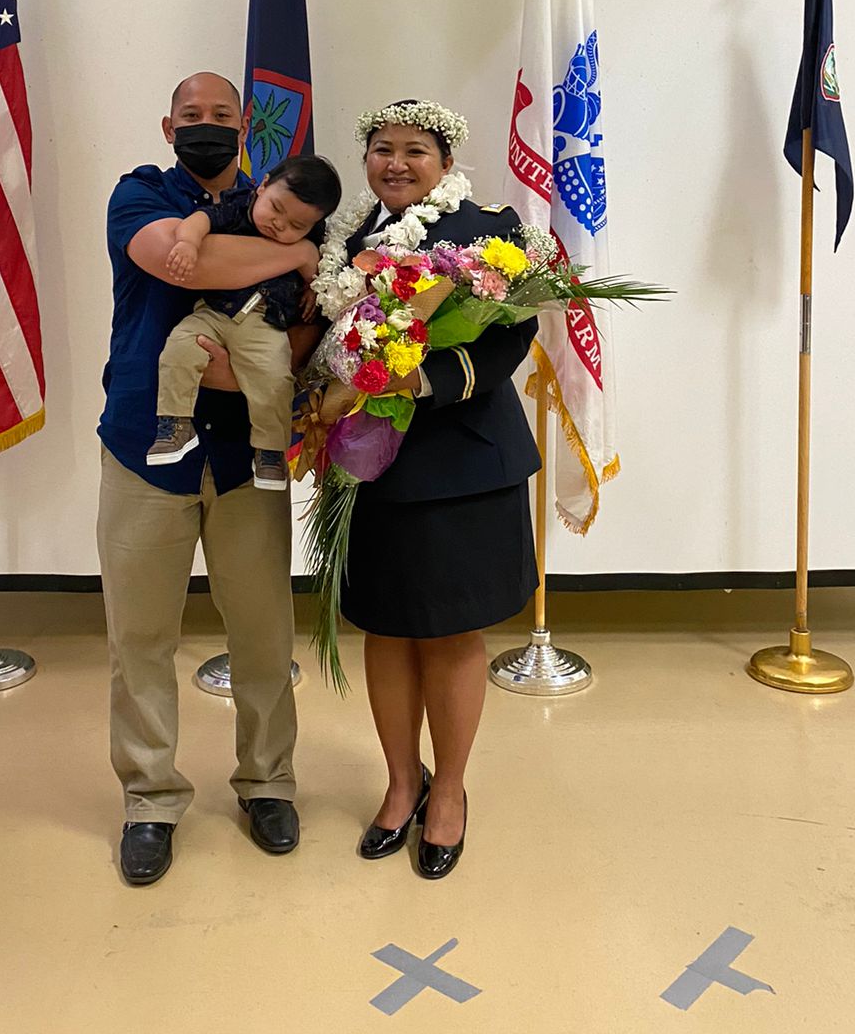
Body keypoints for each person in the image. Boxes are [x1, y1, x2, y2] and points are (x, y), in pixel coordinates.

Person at [96, 71, 316, 886]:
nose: (207, 126)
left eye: (222, 116)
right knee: (141, 637)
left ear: (246, 130)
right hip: (142, 449)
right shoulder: (140, 194)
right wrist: (291, 251)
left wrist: (254, 369)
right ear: (167, 126)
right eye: (192, 116)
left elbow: (305, 328)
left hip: (246, 457)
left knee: (263, 637)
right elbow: (185, 266)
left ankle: (268, 783)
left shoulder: (277, 202)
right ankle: (150, 800)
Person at [314, 98, 541, 879]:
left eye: (416, 149)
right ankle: (400, 782)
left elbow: (513, 331)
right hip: (369, 468)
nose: (397, 163)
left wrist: (420, 382)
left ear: (446, 161)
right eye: (383, 149)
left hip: (461, 462)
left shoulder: (486, 227)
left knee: (448, 631)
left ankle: (449, 792)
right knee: (385, 625)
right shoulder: (348, 241)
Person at [145, 154, 341, 490]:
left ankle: (269, 450)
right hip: (214, 312)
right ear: (262, 186)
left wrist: (312, 286)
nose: (280, 225)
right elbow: (199, 220)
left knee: (274, 377)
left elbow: (321, 277)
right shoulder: (237, 208)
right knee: (178, 348)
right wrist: (188, 244)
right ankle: (174, 424)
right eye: (276, 208)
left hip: (264, 323)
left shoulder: (314, 243)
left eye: (297, 226)